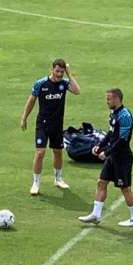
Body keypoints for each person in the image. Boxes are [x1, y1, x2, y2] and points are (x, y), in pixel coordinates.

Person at [78, 88, 133, 227]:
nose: (107, 101)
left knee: (125, 189)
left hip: (122, 158)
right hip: (113, 156)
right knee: (101, 182)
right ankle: (96, 214)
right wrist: (99, 146)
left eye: (109, 99)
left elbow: (122, 140)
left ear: (117, 99)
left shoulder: (125, 115)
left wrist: (106, 153)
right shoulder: (113, 113)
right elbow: (110, 134)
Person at [21, 58, 81, 195]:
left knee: (58, 152)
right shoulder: (41, 84)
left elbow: (77, 91)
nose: (59, 74)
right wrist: (24, 118)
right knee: (40, 153)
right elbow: (31, 101)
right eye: (57, 71)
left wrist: (70, 74)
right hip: (42, 124)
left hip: (57, 125)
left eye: (62, 72)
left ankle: (58, 179)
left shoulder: (64, 84)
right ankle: (36, 182)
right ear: (52, 69)